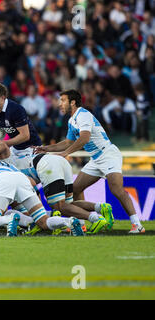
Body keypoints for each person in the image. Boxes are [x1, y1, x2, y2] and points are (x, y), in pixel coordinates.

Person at [34, 89, 145, 234]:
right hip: (96, 159)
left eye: (63, 101)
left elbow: (84, 138)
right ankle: (81, 224)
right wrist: (46, 148)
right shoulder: (71, 119)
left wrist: (65, 153)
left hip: (108, 154)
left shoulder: (83, 114)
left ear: (72, 102)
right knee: (75, 189)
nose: (59, 104)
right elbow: (68, 142)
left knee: (116, 189)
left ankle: (137, 224)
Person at [0, 83, 42, 158]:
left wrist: (3, 143)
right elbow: (0, 132)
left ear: (2, 97)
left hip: (32, 148)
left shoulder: (16, 109)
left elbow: (25, 136)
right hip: (15, 148)